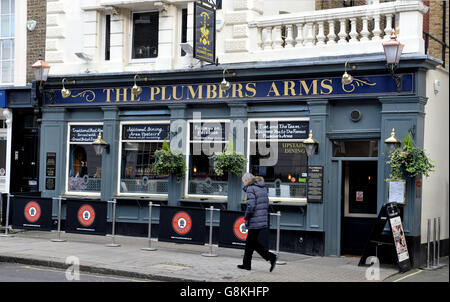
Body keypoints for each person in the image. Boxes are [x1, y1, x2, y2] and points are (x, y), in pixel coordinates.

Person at [238, 172, 277, 272]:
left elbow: (251, 206)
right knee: (250, 242)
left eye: (244, 182)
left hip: (255, 219)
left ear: (247, 180)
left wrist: (246, 216)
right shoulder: (261, 187)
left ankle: (271, 257)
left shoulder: (251, 188)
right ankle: (246, 264)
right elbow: (266, 202)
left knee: (252, 242)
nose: (243, 184)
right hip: (261, 218)